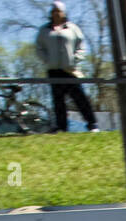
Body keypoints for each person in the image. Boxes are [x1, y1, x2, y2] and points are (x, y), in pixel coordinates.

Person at [36, 1, 98, 132]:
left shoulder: (72, 28)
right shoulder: (44, 30)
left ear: (63, 13)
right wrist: (47, 60)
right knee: (58, 100)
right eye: (53, 11)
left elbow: (81, 46)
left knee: (79, 97)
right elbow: (39, 48)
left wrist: (75, 59)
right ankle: (61, 127)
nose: (56, 14)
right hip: (53, 70)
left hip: (70, 69)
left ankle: (92, 123)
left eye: (58, 11)